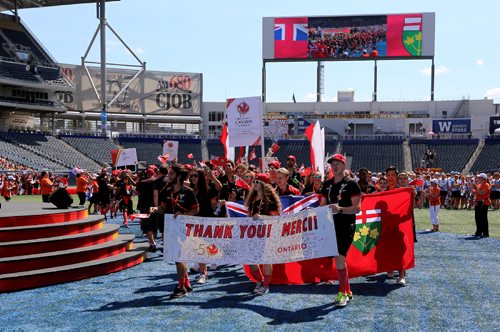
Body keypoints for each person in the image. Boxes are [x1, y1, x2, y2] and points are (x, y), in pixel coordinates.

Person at [320, 154, 361, 307]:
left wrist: (340, 209)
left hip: (346, 225)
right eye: (332, 164)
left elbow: (357, 208)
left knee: (339, 258)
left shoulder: (352, 184)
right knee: (339, 260)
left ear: (344, 165)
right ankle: (348, 291)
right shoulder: (327, 183)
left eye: (338, 163)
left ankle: (342, 293)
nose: (334, 166)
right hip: (330, 226)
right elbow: (323, 204)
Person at [159, 165, 199, 299]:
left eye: (171, 174)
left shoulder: (187, 191)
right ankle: (186, 284)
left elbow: (196, 210)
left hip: (183, 227)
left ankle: (181, 287)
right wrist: (155, 210)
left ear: (179, 176)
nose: (168, 176)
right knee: (177, 258)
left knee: (178, 257)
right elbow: (163, 208)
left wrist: (184, 214)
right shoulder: (167, 191)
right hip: (170, 226)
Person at [245, 173, 281, 295]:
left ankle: (266, 285)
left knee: (266, 259)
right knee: (250, 260)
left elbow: (276, 217)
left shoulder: (270, 200)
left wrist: (262, 218)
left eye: (257, 182)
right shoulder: (253, 199)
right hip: (254, 234)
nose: (254, 184)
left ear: (263, 184)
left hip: (267, 234)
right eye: (254, 181)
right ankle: (259, 281)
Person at [472, 173, 491, 238]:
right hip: (478, 202)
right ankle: (478, 232)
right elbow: (475, 192)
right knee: (477, 218)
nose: (479, 179)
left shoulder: (486, 184)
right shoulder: (479, 185)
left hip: (484, 203)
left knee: (483, 218)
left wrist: (475, 188)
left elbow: (482, 192)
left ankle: (485, 233)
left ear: (484, 179)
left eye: (480, 178)